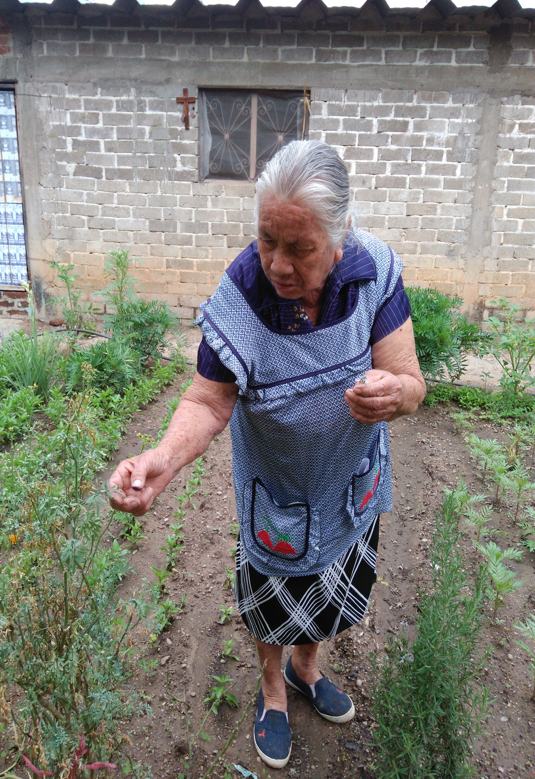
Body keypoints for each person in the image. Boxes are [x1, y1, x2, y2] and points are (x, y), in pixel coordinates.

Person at [109, 140, 426, 769]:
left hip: (350, 487)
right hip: (278, 495)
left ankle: (308, 671)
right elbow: (207, 401)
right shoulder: (243, 293)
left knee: (335, 593)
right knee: (273, 599)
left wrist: (397, 395)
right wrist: (161, 462)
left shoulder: (374, 274)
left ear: (341, 240)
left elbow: (412, 380)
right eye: (266, 240)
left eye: (299, 247)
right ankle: (274, 689)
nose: (278, 264)